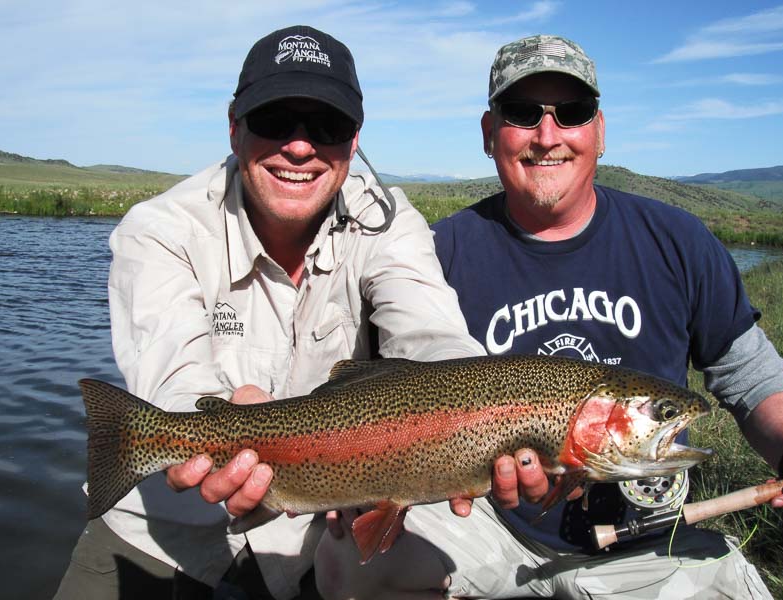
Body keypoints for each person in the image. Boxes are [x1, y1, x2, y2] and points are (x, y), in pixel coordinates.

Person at [314, 34, 783, 599]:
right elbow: (374, 394)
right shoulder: (434, 254)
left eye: (573, 112)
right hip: (485, 527)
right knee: (346, 563)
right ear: (489, 134)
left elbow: (750, 376)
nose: (547, 135)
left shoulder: (678, 241)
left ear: (599, 131)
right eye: (521, 113)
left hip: (645, 539)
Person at [53, 24, 514, 600]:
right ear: (234, 126)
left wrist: (484, 421)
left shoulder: (389, 223)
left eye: (326, 126)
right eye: (275, 120)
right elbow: (173, 373)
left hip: (321, 530)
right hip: (165, 528)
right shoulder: (161, 230)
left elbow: (433, 336)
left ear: (353, 140)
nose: (300, 147)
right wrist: (217, 424)